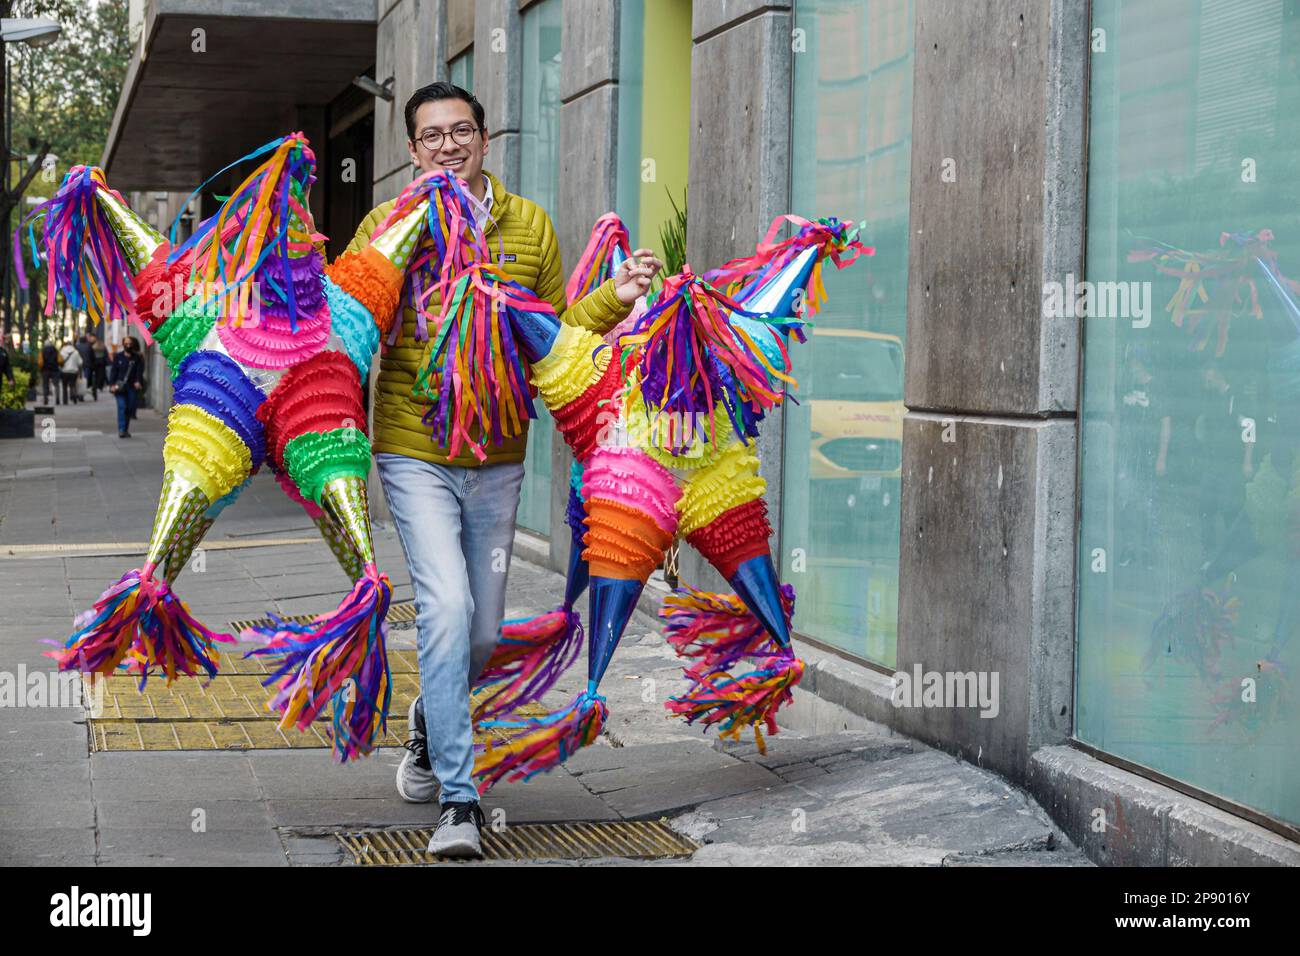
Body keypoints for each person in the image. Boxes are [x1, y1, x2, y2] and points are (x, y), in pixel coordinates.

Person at [345, 82, 661, 857]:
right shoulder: (387, 225)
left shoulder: (530, 227)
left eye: (462, 131)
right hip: (413, 449)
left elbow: (553, 335)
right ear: (411, 152)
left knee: (480, 633)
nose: (447, 145)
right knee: (447, 609)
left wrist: (612, 301)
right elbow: (351, 322)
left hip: (498, 457)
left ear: (485, 140)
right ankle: (460, 797)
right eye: (431, 136)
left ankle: (429, 719)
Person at [107, 336, 145, 438]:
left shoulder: (137, 357)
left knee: (129, 408)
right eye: (126, 343)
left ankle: (125, 429)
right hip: (119, 387)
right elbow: (113, 371)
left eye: (130, 344)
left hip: (132, 387)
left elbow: (139, 372)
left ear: (133, 345)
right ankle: (121, 430)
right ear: (123, 344)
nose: (128, 345)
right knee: (122, 407)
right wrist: (111, 385)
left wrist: (138, 381)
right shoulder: (118, 356)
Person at [59, 340, 83, 404]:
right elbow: (80, 362)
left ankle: (65, 401)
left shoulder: (62, 351)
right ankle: (74, 396)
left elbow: (59, 361)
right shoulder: (76, 352)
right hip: (73, 371)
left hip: (64, 371)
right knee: (73, 385)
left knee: (64, 386)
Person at [40, 340, 60, 404]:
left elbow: (40, 362)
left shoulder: (42, 351)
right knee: (56, 384)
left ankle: (45, 398)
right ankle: (57, 398)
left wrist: (41, 368)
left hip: (45, 370)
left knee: (45, 385)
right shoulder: (55, 350)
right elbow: (60, 360)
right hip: (55, 369)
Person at [89, 334, 108, 400]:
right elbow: (106, 354)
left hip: (95, 362)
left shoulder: (92, 346)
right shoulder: (102, 345)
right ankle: (99, 386)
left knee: (98, 374)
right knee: (101, 374)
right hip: (101, 362)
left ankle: (96, 386)